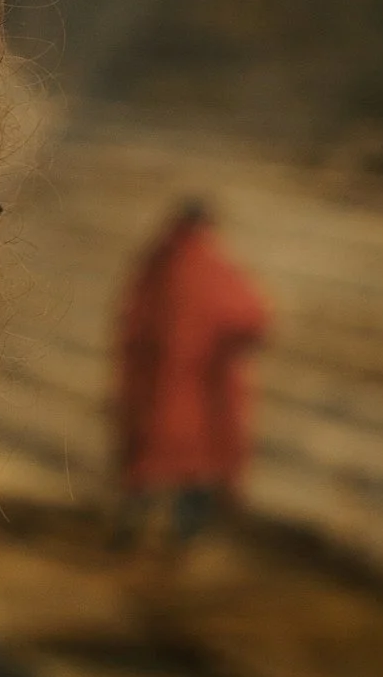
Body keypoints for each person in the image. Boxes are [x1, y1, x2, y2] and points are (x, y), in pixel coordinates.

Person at [113, 200, 272, 548]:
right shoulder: (216, 268)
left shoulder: (153, 266)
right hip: (201, 398)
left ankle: (133, 536)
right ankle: (181, 545)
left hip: (154, 394)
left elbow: (130, 326)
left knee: (147, 464)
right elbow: (254, 318)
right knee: (196, 469)